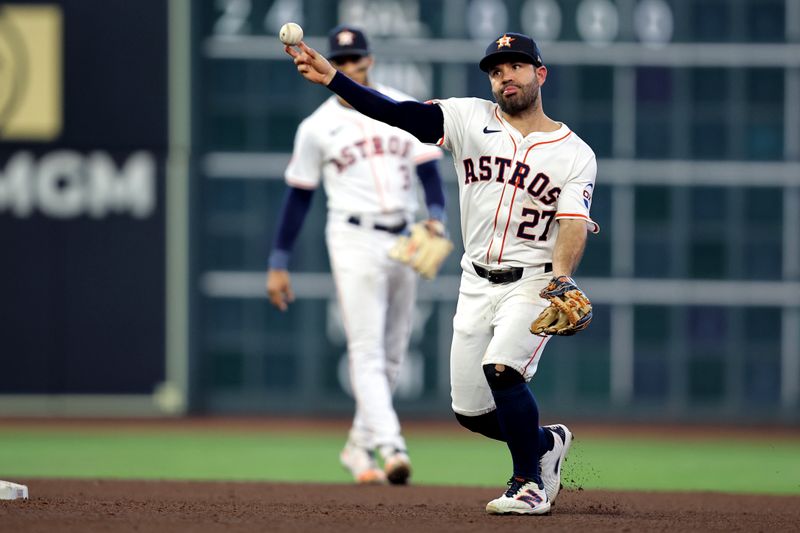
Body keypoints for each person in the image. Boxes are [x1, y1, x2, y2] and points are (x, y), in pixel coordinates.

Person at [283, 32, 599, 514]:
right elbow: (398, 114)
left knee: (503, 369)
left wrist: (561, 276)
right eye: (495, 70)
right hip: (475, 280)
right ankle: (545, 443)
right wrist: (334, 80)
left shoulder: (575, 152)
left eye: (514, 66)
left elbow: (573, 223)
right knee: (470, 412)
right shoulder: (468, 118)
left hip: (535, 278)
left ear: (540, 74)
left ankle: (527, 483)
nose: (504, 76)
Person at [266, 25, 446, 486]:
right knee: (365, 349)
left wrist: (438, 218)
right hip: (352, 238)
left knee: (392, 355)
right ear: (331, 64)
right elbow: (299, 195)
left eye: (356, 59)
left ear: (370, 60)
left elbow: (429, 171)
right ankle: (391, 446)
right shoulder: (316, 127)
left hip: (406, 235)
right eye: (341, 61)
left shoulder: (401, 106)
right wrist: (279, 261)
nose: (349, 67)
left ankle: (356, 445)